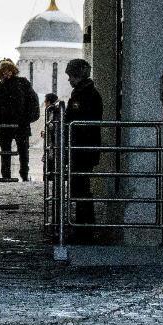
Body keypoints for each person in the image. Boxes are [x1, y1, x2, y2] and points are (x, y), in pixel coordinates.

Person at [65, 59, 103, 242]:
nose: (69, 80)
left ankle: (84, 228)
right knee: (79, 187)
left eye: (70, 76)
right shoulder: (84, 93)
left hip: (82, 148)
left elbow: (81, 121)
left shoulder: (87, 95)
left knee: (81, 188)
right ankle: (83, 225)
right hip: (82, 147)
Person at [0, 58, 39, 181]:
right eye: (3, 71)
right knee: (6, 152)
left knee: (23, 153)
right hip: (6, 125)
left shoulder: (22, 83)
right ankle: (6, 176)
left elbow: (33, 101)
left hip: (21, 124)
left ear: (13, 70)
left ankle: (24, 175)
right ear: (0, 73)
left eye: (8, 70)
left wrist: (28, 118)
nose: (6, 73)